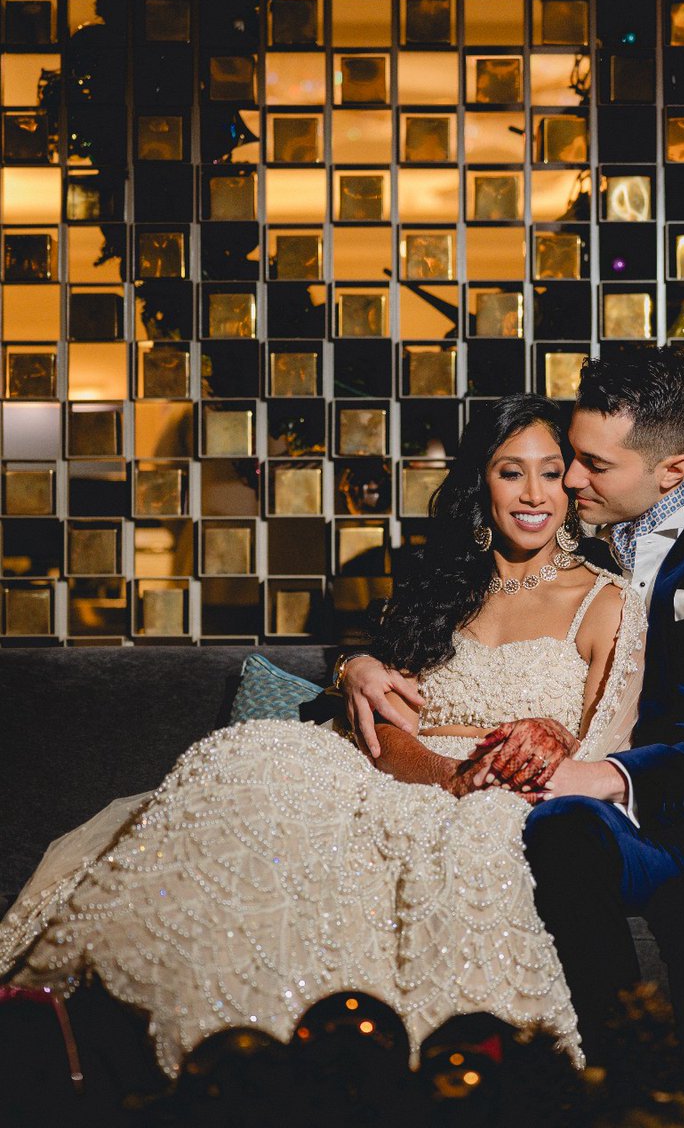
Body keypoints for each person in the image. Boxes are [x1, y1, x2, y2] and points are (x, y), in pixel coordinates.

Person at [0, 393, 647, 1079]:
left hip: (506, 795)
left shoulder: (606, 601)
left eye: (551, 472)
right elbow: (385, 729)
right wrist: (429, 756)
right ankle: (127, 1033)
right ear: (480, 483)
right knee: (247, 761)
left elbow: (605, 747)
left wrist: (540, 744)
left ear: (574, 484)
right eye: (511, 472)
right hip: (396, 768)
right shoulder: (441, 588)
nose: (534, 494)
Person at [343, 351, 684, 1128]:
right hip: (617, 821)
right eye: (568, 460)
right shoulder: (572, 542)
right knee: (559, 830)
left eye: (590, 465)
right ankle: (624, 1089)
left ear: (672, 470)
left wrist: (608, 774)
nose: (566, 481)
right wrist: (354, 663)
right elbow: (449, 629)